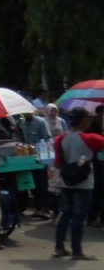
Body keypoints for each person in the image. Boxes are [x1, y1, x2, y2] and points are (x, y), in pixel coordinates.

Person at [53, 107, 104, 260]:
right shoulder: (91, 139)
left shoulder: (60, 139)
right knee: (79, 216)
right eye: (88, 118)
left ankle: (59, 247)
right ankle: (77, 251)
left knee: (66, 214)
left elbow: (57, 164)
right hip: (84, 183)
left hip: (66, 182)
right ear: (83, 120)